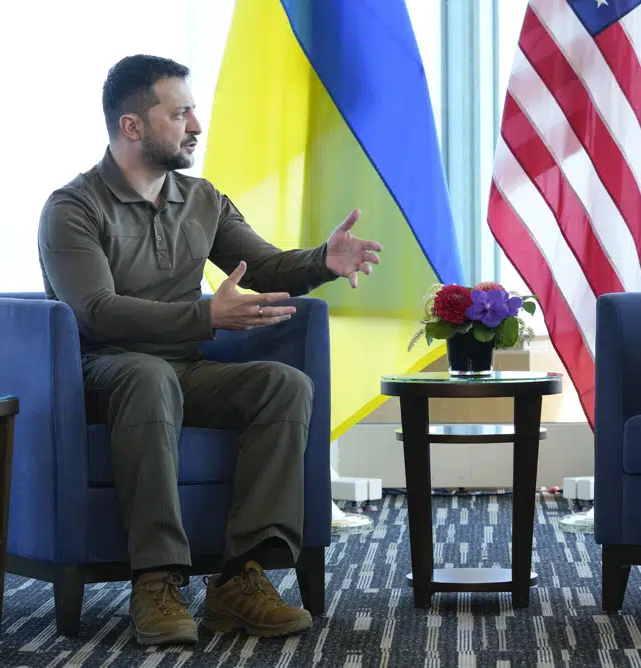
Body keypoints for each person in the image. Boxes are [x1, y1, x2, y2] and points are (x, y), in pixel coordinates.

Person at [36, 54, 383, 646]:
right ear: (132, 126)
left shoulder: (201, 199)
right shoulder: (72, 208)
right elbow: (94, 309)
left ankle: (241, 578)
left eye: (193, 111)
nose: (196, 126)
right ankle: (155, 580)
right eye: (180, 114)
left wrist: (322, 261)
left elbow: (266, 265)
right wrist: (205, 315)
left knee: (284, 386)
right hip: (102, 371)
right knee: (147, 377)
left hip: (184, 369)